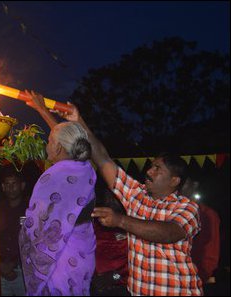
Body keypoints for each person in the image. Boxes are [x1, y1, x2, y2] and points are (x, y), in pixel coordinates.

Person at [26, 91, 203, 295]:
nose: (149, 171)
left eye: (157, 169)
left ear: (174, 180)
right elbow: (102, 158)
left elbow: (169, 233)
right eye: (151, 166)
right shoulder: (137, 195)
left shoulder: (187, 207)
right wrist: (78, 120)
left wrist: (120, 221)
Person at [18, 99, 97, 295]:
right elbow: (69, 139)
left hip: (60, 260)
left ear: (59, 148)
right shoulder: (86, 169)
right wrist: (42, 110)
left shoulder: (55, 176)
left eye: (50, 141)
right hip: (82, 256)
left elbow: (38, 222)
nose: (47, 145)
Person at [181, 176, 220, 295]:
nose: (178, 186)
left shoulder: (206, 214)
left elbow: (210, 256)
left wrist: (196, 280)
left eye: (183, 182)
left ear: (194, 184)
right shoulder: (171, 212)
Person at [91, 187, 129, 296]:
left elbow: (133, 268)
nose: (110, 200)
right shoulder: (94, 223)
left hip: (121, 287)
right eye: (108, 197)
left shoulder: (134, 227)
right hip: (93, 286)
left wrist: (114, 277)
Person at [0, 165, 29, 296]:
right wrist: (1, 265)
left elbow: (32, 241)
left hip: (23, 271)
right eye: (7, 184)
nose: (11, 188)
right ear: (3, 187)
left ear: (22, 185)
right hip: (1, 270)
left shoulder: (31, 210)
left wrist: (13, 264)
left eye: (14, 183)